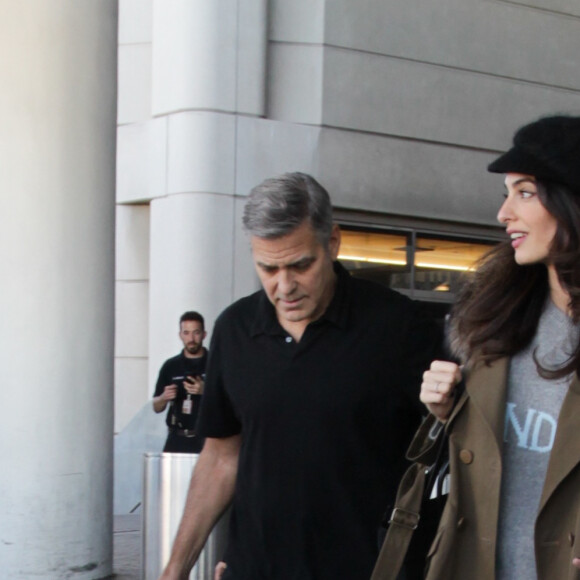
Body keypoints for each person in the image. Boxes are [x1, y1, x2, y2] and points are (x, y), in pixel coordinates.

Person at [158, 172, 443, 580]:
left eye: (300, 265)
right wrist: (175, 569)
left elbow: (455, 445)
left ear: (333, 243)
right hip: (255, 568)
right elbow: (221, 457)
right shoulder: (235, 328)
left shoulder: (398, 325)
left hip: (367, 569)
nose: (284, 286)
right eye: (268, 268)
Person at [379, 115, 580, 580]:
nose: (504, 212)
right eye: (506, 193)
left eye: (525, 192)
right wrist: (451, 413)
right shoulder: (494, 319)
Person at [153, 311, 208, 453]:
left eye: (196, 333)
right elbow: (156, 407)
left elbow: (231, 400)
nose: (191, 338)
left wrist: (205, 390)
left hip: (207, 439)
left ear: (204, 334)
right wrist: (164, 397)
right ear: (180, 335)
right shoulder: (170, 366)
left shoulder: (216, 363)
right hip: (177, 438)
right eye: (186, 333)